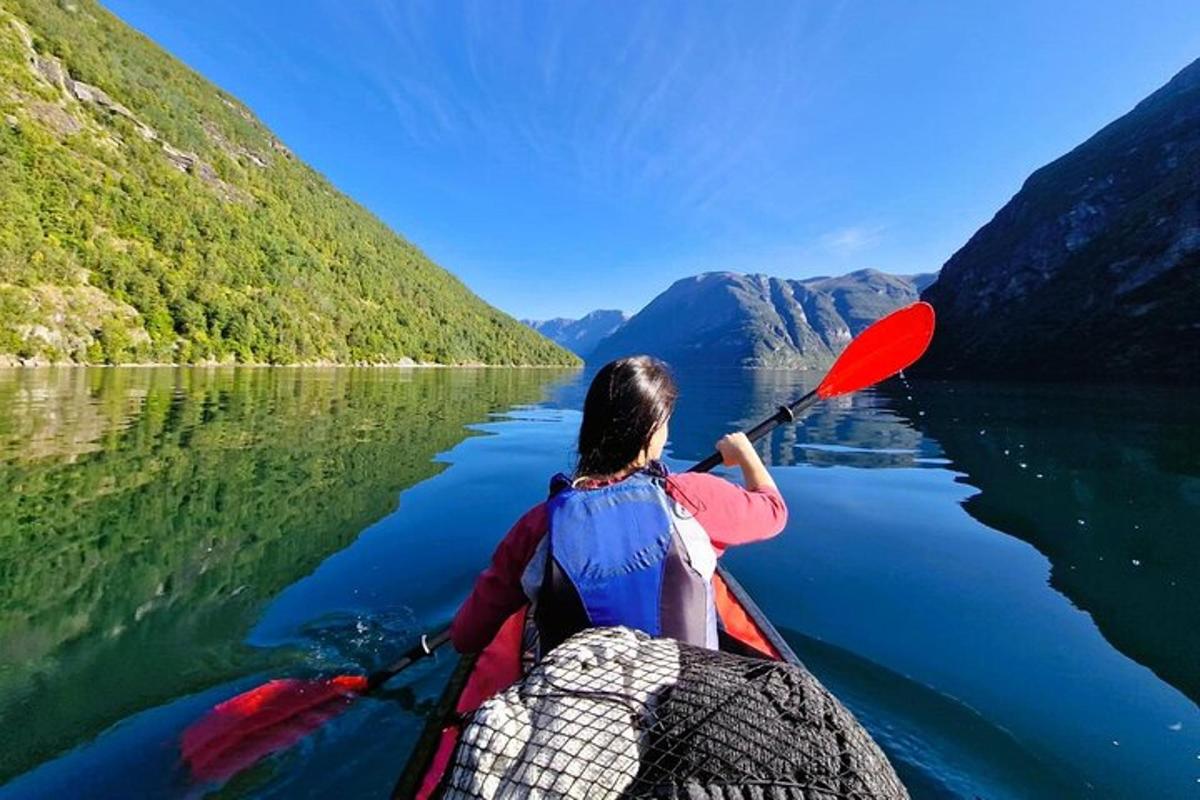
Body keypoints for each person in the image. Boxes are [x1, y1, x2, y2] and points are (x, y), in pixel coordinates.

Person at [449, 355, 788, 657]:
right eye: (666, 422)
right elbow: (774, 511)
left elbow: (465, 638)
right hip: (686, 701)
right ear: (653, 430)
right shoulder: (693, 497)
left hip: (577, 715)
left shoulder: (537, 526)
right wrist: (745, 453)